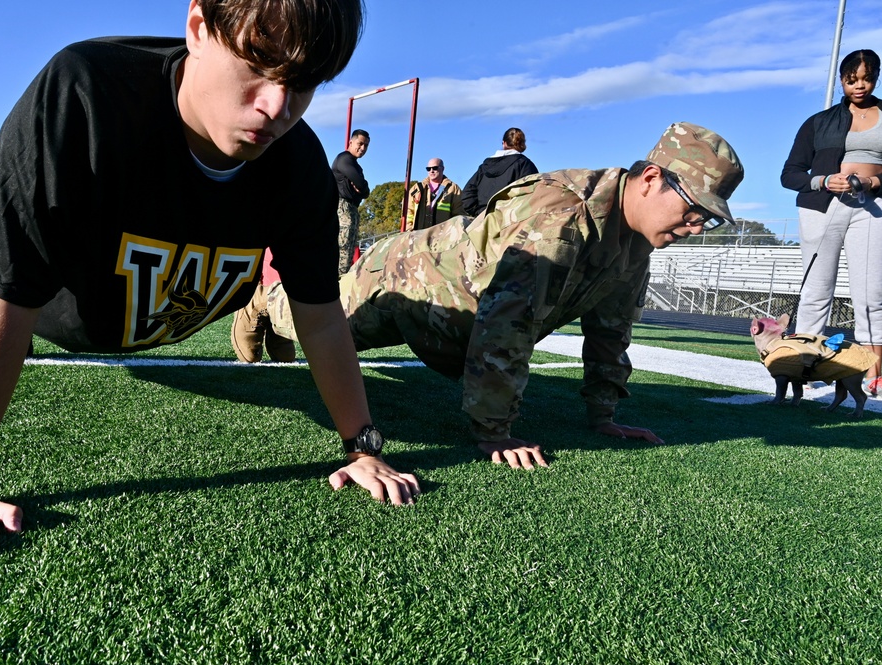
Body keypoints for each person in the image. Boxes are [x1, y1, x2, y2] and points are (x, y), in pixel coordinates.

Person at [0, 0, 420, 582]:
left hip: (163, 310)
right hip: (58, 303)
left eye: (302, 84)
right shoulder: (87, 92)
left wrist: (363, 446)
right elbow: (9, 296)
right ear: (197, 28)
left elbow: (319, 316)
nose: (277, 107)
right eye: (259, 66)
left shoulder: (298, 165)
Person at [263, 122, 744, 468]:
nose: (696, 227)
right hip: (408, 280)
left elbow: (611, 331)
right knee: (304, 322)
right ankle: (260, 303)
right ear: (652, 179)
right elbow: (507, 320)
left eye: (710, 218)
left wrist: (603, 417)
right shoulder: (560, 215)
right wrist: (494, 433)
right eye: (694, 209)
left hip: (460, 318)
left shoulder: (636, 245)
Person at [781, 48, 882, 397]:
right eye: (852, 79)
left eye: (867, 78)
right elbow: (790, 174)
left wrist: (874, 183)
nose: (860, 86)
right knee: (817, 289)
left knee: (870, 292)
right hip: (821, 208)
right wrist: (823, 181)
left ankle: (875, 371)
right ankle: (805, 364)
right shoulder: (818, 122)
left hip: (872, 207)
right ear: (842, 79)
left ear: (877, 78)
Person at [461, 128, 539, 217]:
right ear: (522, 143)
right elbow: (532, 194)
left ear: (504, 143)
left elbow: (467, 194)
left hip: (482, 221)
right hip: (509, 221)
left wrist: (479, 213)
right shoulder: (525, 165)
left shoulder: (484, 167)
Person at [332, 129, 370, 276]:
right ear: (351, 142)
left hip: (352, 209)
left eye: (366, 145)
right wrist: (361, 188)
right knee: (343, 248)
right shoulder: (344, 159)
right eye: (360, 144)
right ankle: (337, 284)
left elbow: (365, 191)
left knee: (350, 250)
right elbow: (361, 184)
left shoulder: (355, 164)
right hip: (343, 207)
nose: (363, 148)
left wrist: (362, 189)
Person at [404, 158, 466, 231]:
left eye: (435, 168)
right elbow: (408, 210)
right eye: (428, 169)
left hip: (443, 236)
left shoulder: (453, 189)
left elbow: (459, 214)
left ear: (442, 169)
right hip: (418, 236)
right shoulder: (417, 188)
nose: (431, 171)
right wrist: (409, 229)